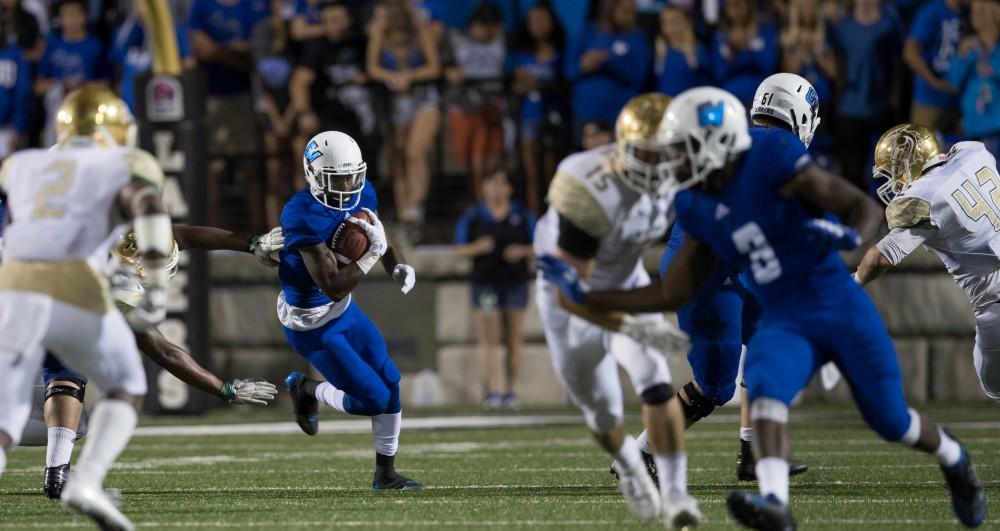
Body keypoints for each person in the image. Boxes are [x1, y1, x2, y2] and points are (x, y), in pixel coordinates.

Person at [539, 87, 987, 530]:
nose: (676, 161)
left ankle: (953, 456)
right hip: (785, 312)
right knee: (766, 386)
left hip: (834, 300)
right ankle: (775, 505)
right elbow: (668, 292)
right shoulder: (694, 203)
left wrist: (851, 236)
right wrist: (589, 297)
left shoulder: (771, 151)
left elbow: (858, 206)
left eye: (684, 148)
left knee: (890, 420)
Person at [0, 85, 171, 530]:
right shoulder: (120, 162)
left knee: (7, 418)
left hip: (13, 286)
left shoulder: (22, 163)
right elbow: (148, 205)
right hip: (75, 282)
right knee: (127, 384)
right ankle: (86, 481)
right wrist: (153, 281)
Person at [533, 93, 701, 528]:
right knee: (604, 412)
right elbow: (573, 294)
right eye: (646, 154)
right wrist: (636, 327)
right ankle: (627, 462)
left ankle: (678, 495)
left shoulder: (683, 179)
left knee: (656, 382)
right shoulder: (587, 185)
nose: (657, 165)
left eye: (664, 154)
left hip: (624, 281)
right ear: (623, 148)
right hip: (567, 295)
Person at [33, 224, 284, 499]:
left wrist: (251, 242)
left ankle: (57, 471)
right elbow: (165, 352)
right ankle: (57, 471)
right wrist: (223, 388)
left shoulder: (125, 238)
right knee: (72, 376)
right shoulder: (115, 293)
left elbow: (188, 234)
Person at [280, 130, 421, 491]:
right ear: (313, 174)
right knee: (372, 399)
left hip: (343, 311)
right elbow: (331, 284)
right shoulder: (301, 214)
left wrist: (395, 264)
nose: (348, 185)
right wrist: (373, 256)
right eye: (338, 178)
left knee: (389, 383)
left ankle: (385, 475)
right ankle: (307, 390)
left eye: (352, 175)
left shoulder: (362, 190)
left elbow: (378, 234)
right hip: (312, 323)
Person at [858, 124, 1000, 405]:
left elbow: (879, 258)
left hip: (994, 303)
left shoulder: (926, 199)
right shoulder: (975, 153)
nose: (892, 182)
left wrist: (854, 283)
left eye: (892, 172)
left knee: (994, 386)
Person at [454, 168, 535, 411]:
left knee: (514, 339)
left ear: (509, 189)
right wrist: (477, 247)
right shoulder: (474, 216)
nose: (496, 190)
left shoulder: (522, 215)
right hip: (485, 284)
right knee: (489, 338)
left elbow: (542, 244)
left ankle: (511, 392)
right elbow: (459, 249)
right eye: (491, 184)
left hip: (515, 283)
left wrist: (521, 251)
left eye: (501, 184)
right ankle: (494, 391)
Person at [188, 0, 270, 228]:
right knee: (213, 169)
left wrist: (219, 52)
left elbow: (259, 50)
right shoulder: (201, 6)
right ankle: (211, 236)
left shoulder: (253, 6)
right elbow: (201, 49)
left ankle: (259, 233)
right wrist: (234, 55)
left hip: (244, 97)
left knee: (251, 167)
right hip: (210, 96)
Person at [366, 0, 440, 244]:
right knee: (398, 157)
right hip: (397, 103)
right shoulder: (379, 32)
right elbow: (372, 68)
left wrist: (410, 75)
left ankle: (415, 209)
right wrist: (392, 77)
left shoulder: (421, 29)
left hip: (424, 100)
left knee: (415, 152)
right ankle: (405, 215)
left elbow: (434, 67)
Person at [828, 0, 904, 189]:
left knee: (886, 170)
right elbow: (836, 65)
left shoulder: (889, 26)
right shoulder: (842, 28)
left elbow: (898, 65)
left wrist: (894, 98)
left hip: (881, 108)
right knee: (851, 170)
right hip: (849, 109)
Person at [444, 2, 506, 200]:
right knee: (471, 162)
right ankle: (477, 202)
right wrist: (449, 70)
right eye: (484, 26)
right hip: (464, 106)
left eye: (492, 26)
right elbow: (444, 64)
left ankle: (487, 201)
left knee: (489, 159)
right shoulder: (456, 39)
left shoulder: (504, 40)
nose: (488, 32)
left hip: (492, 106)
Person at [565, 0, 651, 142]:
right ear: (610, 9)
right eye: (625, 11)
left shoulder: (637, 38)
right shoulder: (586, 33)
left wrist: (608, 62)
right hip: (586, 114)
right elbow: (569, 72)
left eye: (633, 11)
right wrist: (583, 65)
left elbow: (639, 76)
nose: (631, 16)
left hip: (620, 115)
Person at [36, 0, 109, 145]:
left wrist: (81, 87)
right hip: (56, 114)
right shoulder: (52, 47)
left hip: (88, 113)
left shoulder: (95, 46)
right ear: (60, 19)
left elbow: (106, 84)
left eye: (76, 14)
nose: (72, 19)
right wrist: (61, 86)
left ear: (84, 17)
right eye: (67, 14)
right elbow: (38, 86)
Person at [108, 0, 195, 112]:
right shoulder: (127, 30)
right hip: (131, 106)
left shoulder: (173, 31)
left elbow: (189, 63)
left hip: (163, 105)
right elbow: (116, 58)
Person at [948, 0, 1000, 155]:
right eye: (974, 11)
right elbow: (954, 83)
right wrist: (961, 56)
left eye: (982, 10)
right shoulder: (968, 48)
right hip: (971, 129)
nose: (975, 15)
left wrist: (995, 71)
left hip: (996, 129)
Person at [904, 0, 964, 133]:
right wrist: (933, 81)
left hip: (961, 99)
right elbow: (910, 51)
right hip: (929, 99)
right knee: (924, 149)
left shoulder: (970, 13)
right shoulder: (931, 12)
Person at [710, 0, 779, 106]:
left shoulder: (765, 30)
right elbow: (719, 74)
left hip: (762, 96)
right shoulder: (720, 37)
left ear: (748, 5)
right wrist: (736, 50)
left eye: (738, 4)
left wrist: (746, 47)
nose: (734, 10)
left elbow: (769, 66)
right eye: (729, 6)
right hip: (731, 98)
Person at [779, 0, 835, 123]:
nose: (808, 10)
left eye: (812, 6)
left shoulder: (827, 32)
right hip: (796, 101)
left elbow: (833, 72)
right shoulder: (788, 36)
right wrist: (800, 49)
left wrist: (816, 50)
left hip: (822, 99)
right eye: (804, 6)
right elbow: (788, 73)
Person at [654, 6, 710, 97]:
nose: (669, 27)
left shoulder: (697, 50)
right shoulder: (660, 51)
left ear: (685, 22)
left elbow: (706, 82)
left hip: (689, 104)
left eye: (674, 21)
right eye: (665, 22)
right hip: (667, 105)